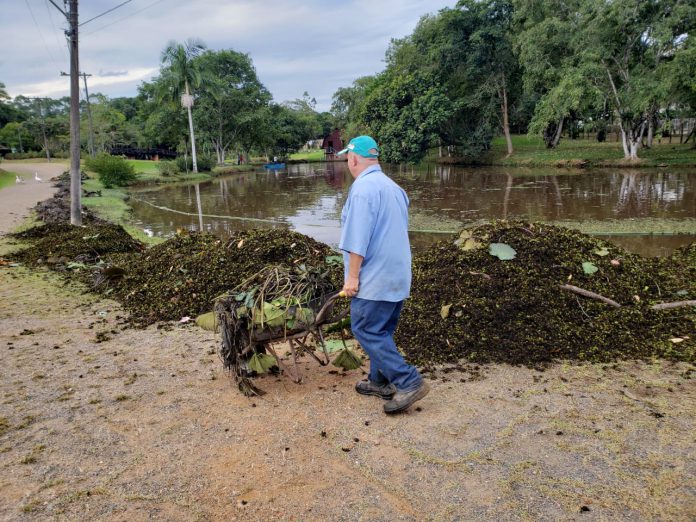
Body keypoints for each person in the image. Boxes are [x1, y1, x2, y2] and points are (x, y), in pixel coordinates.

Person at [337, 135, 429, 414]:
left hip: (375, 277)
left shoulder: (362, 189)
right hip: (398, 275)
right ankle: (379, 382)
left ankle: (408, 381)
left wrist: (352, 278)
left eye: (347, 158)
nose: (347, 162)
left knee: (365, 328)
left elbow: (357, 239)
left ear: (354, 158)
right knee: (382, 330)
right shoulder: (394, 188)